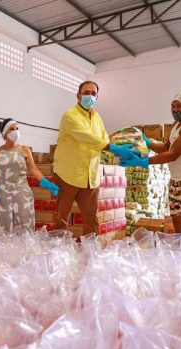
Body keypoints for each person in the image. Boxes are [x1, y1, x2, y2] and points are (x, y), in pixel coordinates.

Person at [53, 81, 137, 236]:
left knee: (91, 219)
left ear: (97, 97)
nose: (90, 96)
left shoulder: (97, 117)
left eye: (93, 93)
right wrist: (115, 149)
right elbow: (88, 138)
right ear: (78, 95)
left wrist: (120, 149)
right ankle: (58, 253)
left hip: (90, 177)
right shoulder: (70, 115)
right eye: (86, 92)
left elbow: (103, 138)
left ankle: (90, 253)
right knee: (61, 220)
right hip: (68, 175)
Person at [121, 92, 181, 236]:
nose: (175, 109)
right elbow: (167, 147)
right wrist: (148, 143)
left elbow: (173, 154)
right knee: (177, 219)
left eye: (180, 106)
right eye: (173, 106)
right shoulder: (176, 125)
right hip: (176, 179)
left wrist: (144, 162)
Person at [0, 118, 59, 232]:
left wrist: (47, 183)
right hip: (2, 194)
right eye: (12, 129)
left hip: (22, 193)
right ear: (5, 132)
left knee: (25, 227)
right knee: (3, 228)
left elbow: (34, 169)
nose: (15, 131)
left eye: (17, 128)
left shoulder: (24, 150)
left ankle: (25, 249)